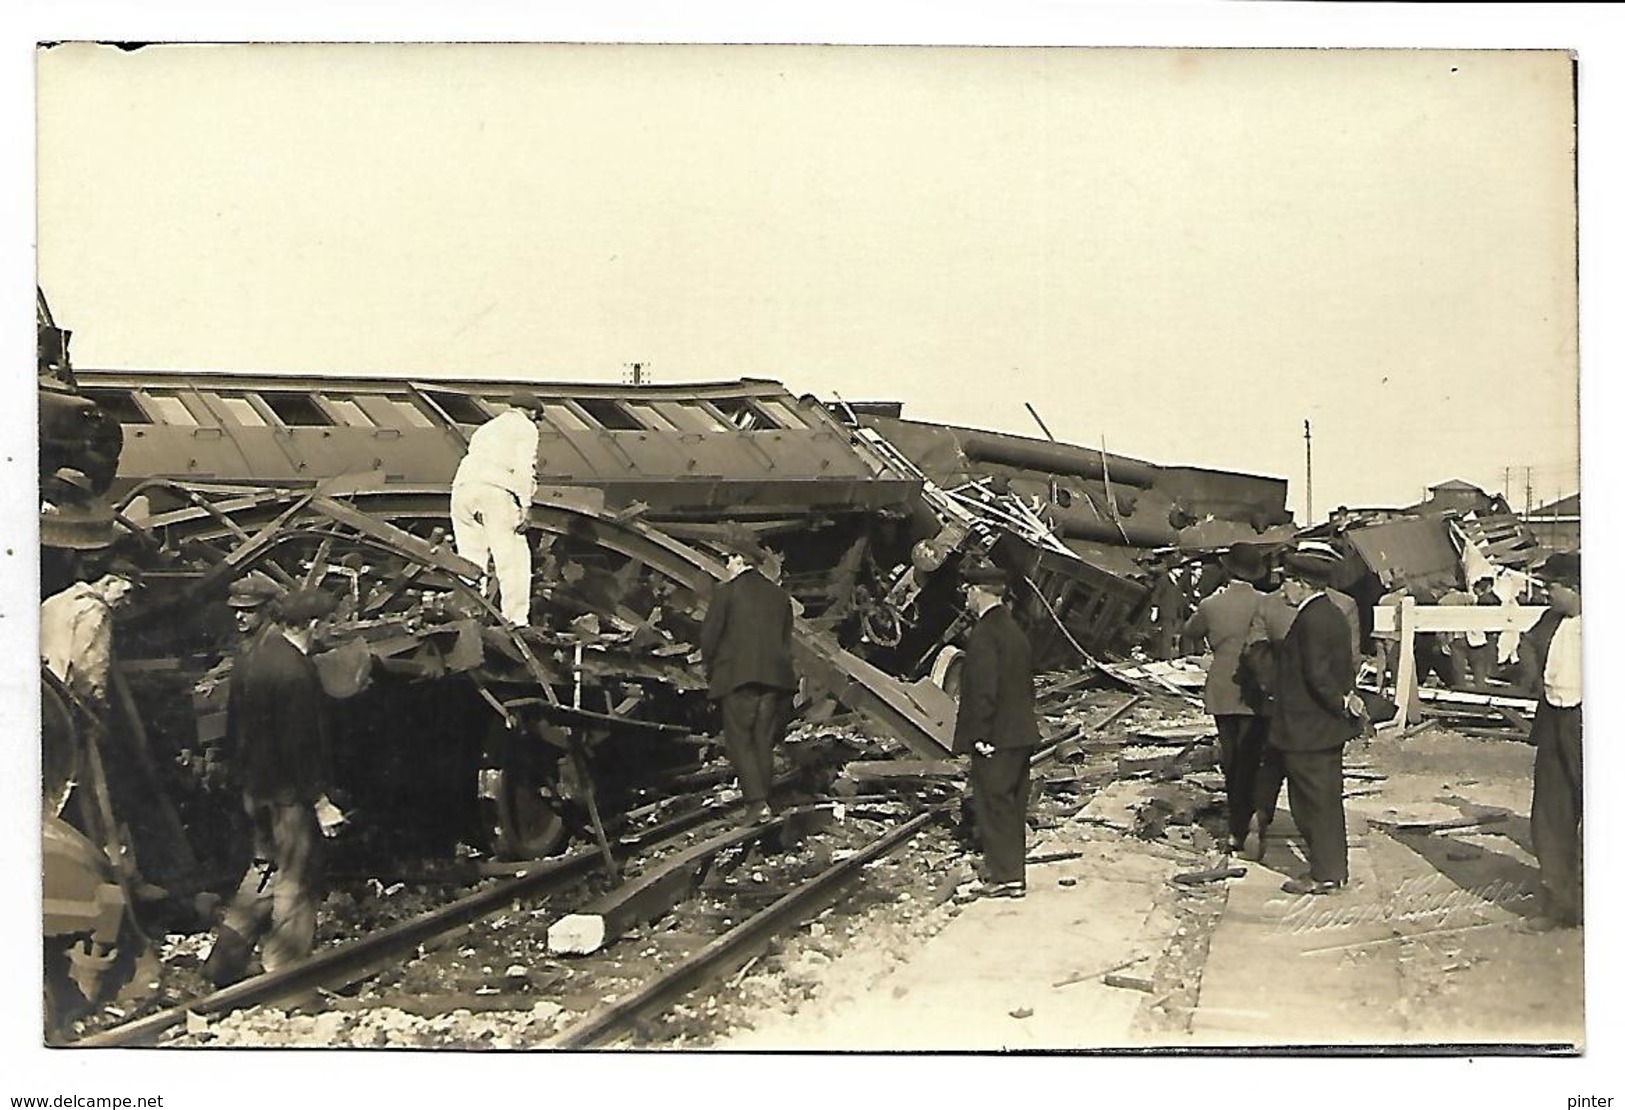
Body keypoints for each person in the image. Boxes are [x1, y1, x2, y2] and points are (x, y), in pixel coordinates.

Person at [203, 579, 342, 987]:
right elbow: (299, 746)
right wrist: (320, 803)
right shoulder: (296, 672)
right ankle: (286, 976)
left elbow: (234, 729)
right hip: (289, 798)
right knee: (298, 880)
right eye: (326, 624)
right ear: (313, 625)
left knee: (263, 871)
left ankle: (223, 964)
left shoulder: (251, 659)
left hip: (256, 792)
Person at [1269, 544, 1361, 895]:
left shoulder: (1312, 619)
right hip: (1319, 729)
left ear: (1303, 584)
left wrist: (1340, 703)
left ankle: (1326, 874)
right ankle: (1331, 869)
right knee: (1322, 800)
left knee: (1313, 804)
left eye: (1287, 582)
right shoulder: (1330, 613)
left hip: (1309, 729)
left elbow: (1318, 675)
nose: (1283, 590)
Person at [951, 564, 1041, 900]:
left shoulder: (985, 633)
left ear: (978, 592)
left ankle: (1005, 878)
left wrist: (981, 734)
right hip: (1020, 731)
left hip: (997, 735)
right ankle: (1012, 872)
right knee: (1013, 806)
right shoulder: (1014, 630)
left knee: (994, 804)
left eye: (968, 592)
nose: (967, 599)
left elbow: (983, 690)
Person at [1181, 542, 1271, 855]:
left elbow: (1190, 631)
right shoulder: (1266, 602)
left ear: (1228, 569)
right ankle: (1253, 820)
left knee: (1231, 757)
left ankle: (1236, 828)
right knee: (1254, 757)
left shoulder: (1210, 604)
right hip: (1256, 687)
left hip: (1222, 685)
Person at [699, 539, 797, 824]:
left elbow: (710, 636)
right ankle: (764, 800)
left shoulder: (726, 593)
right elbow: (784, 637)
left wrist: (709, 667)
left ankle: (756, 804)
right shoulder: (780, 597)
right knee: (762, 741)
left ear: (739, 560)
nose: (726, 566)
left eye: (728, 560)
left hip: (738, 677)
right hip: (775, 679)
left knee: (739, 741)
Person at [1518, 552, 1582, 932]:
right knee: (1551, 815)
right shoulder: (1550, 620)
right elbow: (1527, 645)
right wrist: (1535, 681)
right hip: (1554, 723)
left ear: (1574, 588)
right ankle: (1560, 905)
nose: (1545, 593)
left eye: (1551, 587)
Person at [451, 392, 544, 626]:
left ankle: (469, 615)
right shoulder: (526, 427)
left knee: (470, 559)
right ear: (532, 413)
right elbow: (523, 467)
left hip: (462, 489)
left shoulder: (485, 428)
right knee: (512, 558)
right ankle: (516, 621)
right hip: (496, 491)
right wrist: (526, 505)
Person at [40, 563, 141, 708]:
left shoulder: (51, 602)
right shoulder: (96, 609)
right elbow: (88, 662)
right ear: (108, 582)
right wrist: (96, 700)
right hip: (62, 699)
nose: (128, 601)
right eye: (126, 592)